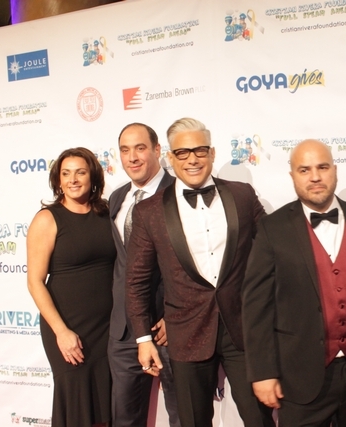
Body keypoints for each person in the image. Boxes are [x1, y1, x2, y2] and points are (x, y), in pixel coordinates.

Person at [124, 117, 274, 427]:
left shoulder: (242, 195)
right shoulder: (149, 211)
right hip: (186, 333)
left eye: (200, 150)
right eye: (182, 152)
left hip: (242, 329)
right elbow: (136, 280)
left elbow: (273, 247)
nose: (192, 159)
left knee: (259, 419)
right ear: (170, 157)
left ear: (212, 153)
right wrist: (143, 338)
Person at [242, 139, 346, 426]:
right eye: (304, 170)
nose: (315, 177)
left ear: (335, 170)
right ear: (292, 176)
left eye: (322, 167)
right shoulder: (272, 228)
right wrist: (262, 372)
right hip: (300, 376)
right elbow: (256, 307)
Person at [27, 147, 116, 427]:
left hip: (108, 328)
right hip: (68, 326)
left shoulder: (107, 213)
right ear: (58, 179)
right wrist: (62, 332)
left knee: (105, 406)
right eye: (66, 173)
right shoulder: (47, 219)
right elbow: (35, 281)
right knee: (77, 406)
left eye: (80, 172)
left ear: (93, 177)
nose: (73, 180)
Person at [108, 123, 179, 427]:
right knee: (125, 419)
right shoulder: (117, 199)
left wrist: (176, 316)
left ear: (157, 150)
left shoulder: (179, 193)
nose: (132, 157)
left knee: (183, 416)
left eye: (140, 148)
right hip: (124, 331)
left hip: (170, 328)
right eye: (125, 150)